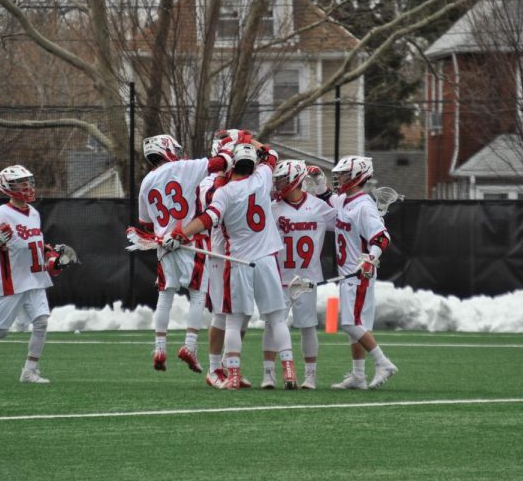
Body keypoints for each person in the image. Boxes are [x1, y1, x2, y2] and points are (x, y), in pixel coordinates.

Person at [164, 137, 297, 390]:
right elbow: (271, 155)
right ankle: (289, 370)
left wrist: (181, 234)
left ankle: (232, 373)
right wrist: (249, 139)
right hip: (266, 258)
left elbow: (208, 217)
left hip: (236, 261)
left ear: (232, 163)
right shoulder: (262, 179)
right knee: (276, 319)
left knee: (233, 320)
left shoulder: (223, 191)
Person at [0, 164, 74, 384]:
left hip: (35, 280)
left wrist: (55, 261)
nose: (27, 185)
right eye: (21, 182)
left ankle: (29, 371)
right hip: (13, 281)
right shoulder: (1, 213)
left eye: (28, 181)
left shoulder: (34, 213)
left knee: (42, 322)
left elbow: (37, 248)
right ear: (8, 186)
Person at [137, 134, 231, 374]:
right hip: (190, 240)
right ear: (167, 149)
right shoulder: (184, 167)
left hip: (163, 243)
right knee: (198, 295)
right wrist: (231, 146)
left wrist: (163, 231)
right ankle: (189, 345)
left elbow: (145, 223)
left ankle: (159, 347)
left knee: (165, 296)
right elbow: (218, 164)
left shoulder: (147, 181)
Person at [310, 156, 398, 389]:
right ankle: (358, 375)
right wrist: (319, 181)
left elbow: (381, 237)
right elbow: (328, 199)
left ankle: (383, 363)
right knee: (357, 327)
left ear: (358, 176)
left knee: (350, 323)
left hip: (358, 273)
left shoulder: (363, 206)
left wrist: (371, 258)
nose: (340, 179)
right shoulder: (343, 201)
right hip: (348, 273)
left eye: (344, 174)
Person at [269, 160, 337, 389]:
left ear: (295, 179)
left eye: (282, 180)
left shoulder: (317, 206)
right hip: (279, 276)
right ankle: (269, 374)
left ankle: (311, 375)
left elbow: (344, 220)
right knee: (272, 325)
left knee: (307, 326)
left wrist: (322, 188)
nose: (278, 185)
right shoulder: (273, 208)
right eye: (277, 180)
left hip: (307, 278)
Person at [197, 130, 252, 389]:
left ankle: (232, 366)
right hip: (222, 253)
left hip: (246, 253)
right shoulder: (211, 183)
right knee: (223, 313)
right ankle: (215, 368)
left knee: (242, 315)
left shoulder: (245, 179)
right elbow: (212, 207)